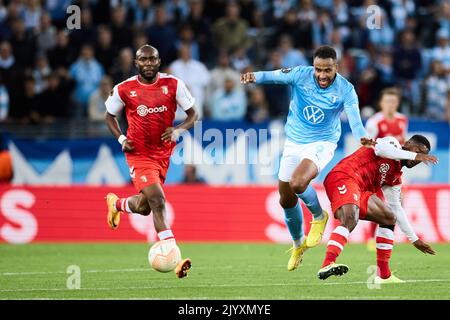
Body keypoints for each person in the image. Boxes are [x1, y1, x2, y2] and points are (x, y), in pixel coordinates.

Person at [240, 46, 372, 271]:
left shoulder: (346, 89)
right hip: (293, 141)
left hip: (322, 143)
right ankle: (298, 244)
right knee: (286, 199)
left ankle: (319, 216)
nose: (322, 75)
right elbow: (273, 77)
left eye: (327, 70)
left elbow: (355, 120)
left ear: (336, 68)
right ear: (313, 66)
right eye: (318, 69)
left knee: (299, 182)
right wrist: (254, 76)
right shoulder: (301, 74)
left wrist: (362, 138)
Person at [104, 45, 198, 279]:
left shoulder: (173, 84)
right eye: (143, 60)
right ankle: (173, 255)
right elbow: (109, 115)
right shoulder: (124, 89)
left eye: (152, 59)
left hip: (163, 154)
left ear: (159, 61)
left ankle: (117, 205)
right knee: (158, 199)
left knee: (146, 207)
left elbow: (193, 114)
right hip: (138, 153)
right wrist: (121, 138)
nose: (148, 63)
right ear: (136, 63)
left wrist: (178, 131)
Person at [317, 135, 437, 283]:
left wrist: (414, 239)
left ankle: (384, 275)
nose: (418, 158)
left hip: (360, 189)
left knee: (389, 217)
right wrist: (415, 155)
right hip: (344, 176)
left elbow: (397, 209)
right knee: (350, 218)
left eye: (422, 156)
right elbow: (380, 149)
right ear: (407, 143)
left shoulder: (395, 177)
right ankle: (327, 263)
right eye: (418, 151)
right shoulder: (391, 143)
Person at [365, 87, 408, 251]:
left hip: (395, 168)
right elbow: (368, 146)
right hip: (377, 169)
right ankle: (370, 237)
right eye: (388, 101)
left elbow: (402, 142)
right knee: (377, 203)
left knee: (397, 203)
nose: (391, 104)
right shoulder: (374, 122)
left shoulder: (402, 120)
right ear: (381, 103)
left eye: (394, 101)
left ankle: (388, 236)